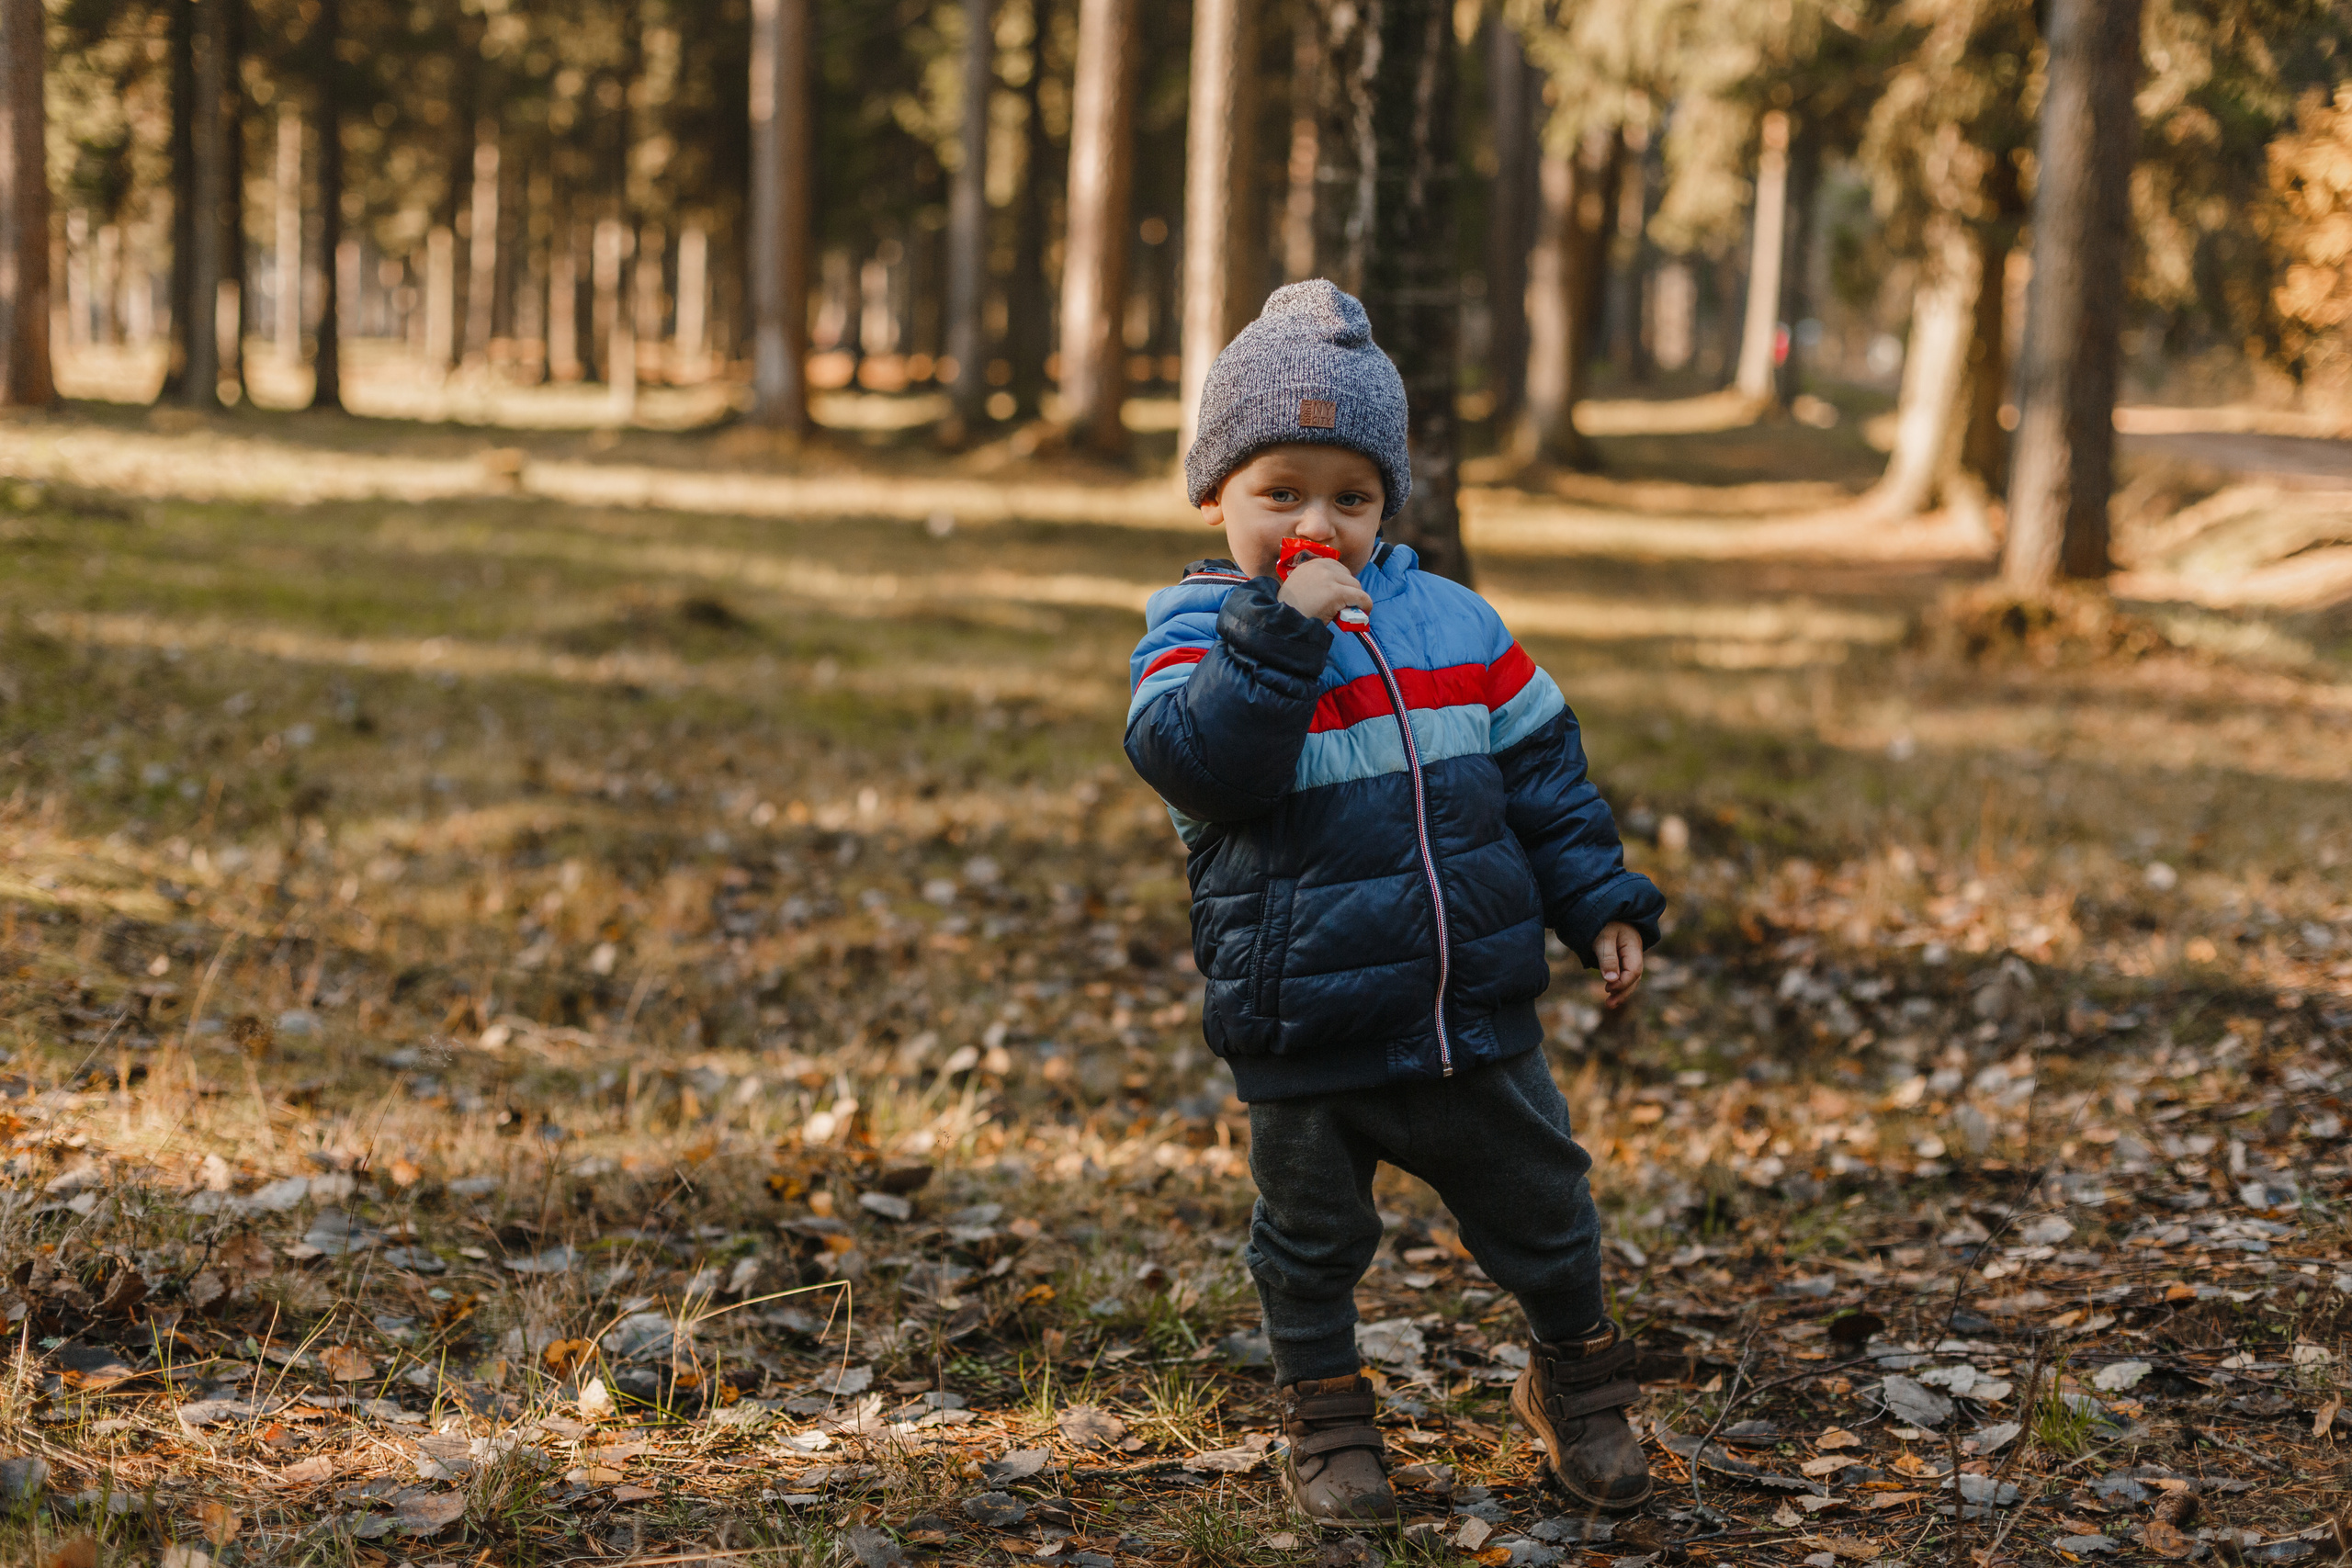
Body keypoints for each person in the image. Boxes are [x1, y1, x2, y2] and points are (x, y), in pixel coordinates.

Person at [1124, 281, 1666, 1526]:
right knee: (1309, 1243)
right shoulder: (1194, 632)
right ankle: (1327, 1424)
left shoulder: (1456, 621)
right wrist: (1279, 632)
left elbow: (1543, 779)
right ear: (1216, 498)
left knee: (1546, 1206)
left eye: (1351, 497)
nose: (1319, 521)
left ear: (1389, 503)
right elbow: (1203, 764)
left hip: (1467, 1007)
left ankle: (1577, 1386)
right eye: (1283, 493)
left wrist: (1599, 902)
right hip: (1303, 1019)